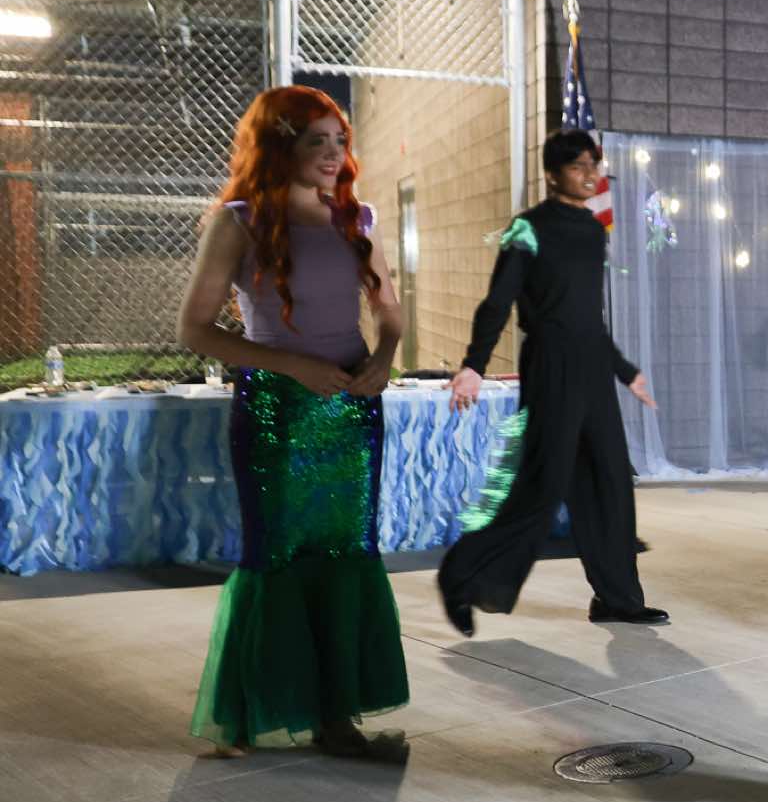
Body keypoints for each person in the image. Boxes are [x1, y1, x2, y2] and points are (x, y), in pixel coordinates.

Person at [177, 85, 409, 761]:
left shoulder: (357, 217)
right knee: (275, 556)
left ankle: (337, 719)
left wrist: (385, 357)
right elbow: (196, 329)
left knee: (345, 555)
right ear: (280, 147)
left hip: (352, 410)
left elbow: (389, 311)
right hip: (276, 411)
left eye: (340, 141)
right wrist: (290, 365)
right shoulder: (240, 222)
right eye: (317, 141)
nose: (334, 154)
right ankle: (247, 715)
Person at [437, 129, 666, 637]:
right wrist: (474, 364)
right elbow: (497, 302)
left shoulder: (591, 230)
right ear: (551, 174)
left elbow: (588, 317)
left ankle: (617, 598)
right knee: (542, 487)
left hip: (592, 368)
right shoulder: (527, 228)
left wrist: (624, 371)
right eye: (578, 166)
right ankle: (462, 577)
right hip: (550, 365)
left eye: (594, 165)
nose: (590, 175)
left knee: (609, 481)